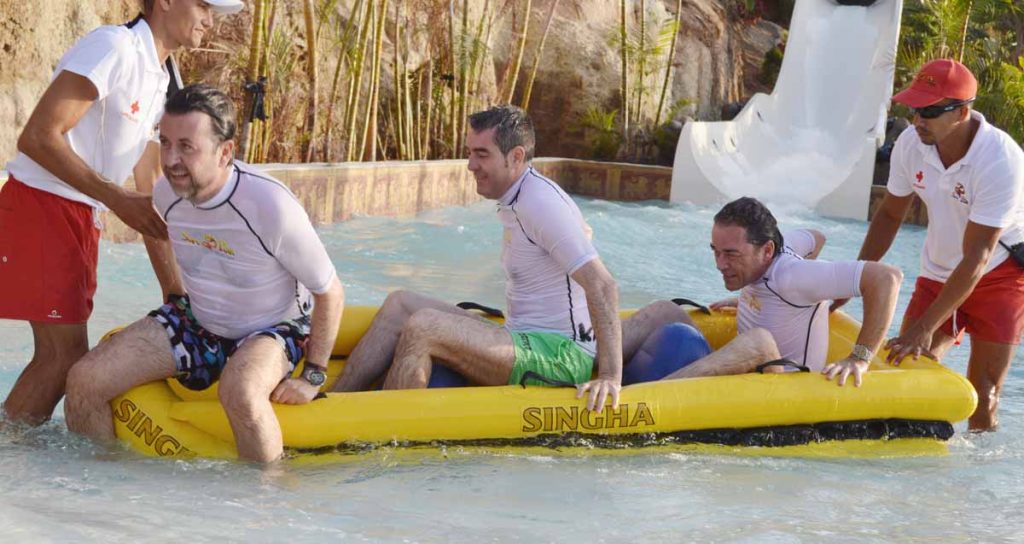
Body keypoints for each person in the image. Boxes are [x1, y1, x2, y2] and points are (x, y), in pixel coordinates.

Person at [64, 84, 344, 463]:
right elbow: (161, 238)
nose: (171, 158)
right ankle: (102, 494)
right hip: (199, 323)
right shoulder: (168, 195)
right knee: (84, 380)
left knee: (241, 391)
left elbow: (329, 291)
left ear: (225, 151)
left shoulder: (269, 205)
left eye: (186, 146)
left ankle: (264, 510)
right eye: (165, 143)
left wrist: (312, 376)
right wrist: (174, 294)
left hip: (274, 327)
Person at [0, 0, 245, 425]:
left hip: (79, 217)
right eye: (204, 4)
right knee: (63, 359)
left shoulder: (164, 78)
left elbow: (149, 192)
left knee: (63, 357)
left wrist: (176, 294)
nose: (211, 18)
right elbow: (38, 137)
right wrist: (114, 198)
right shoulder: (115, 47)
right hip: (44, 205)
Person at [332, 105, 626, 412]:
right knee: (399, 304)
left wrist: (609, 376)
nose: (471, 165)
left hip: (561, 356)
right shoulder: (518, 196)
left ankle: (385, 432)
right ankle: (332, 403)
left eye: (482, 154)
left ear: (516, 156)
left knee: (423, 326)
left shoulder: (541, 203)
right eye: (470, 152)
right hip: (521, 338)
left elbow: (603, 285)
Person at [838, 59, 1024, 430]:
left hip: (1000, 276)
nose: (917, 120)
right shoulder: (911, 144)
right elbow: (890, 216)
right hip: (939, 270)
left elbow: (979, 255)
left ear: (962, 112)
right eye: (913, 109)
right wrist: (852, 279)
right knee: (906, 368)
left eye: (929, 111)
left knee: (984, 394)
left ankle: (972, 481)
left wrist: (925, 326)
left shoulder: (1001, 161)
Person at [628, 197, 902, 387]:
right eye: (716, 251)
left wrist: (860, 357)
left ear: (767, 250)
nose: (720, 264)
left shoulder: (794, 277)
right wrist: (765, 301)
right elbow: (817, 236)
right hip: (746, 375)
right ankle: (591, 362)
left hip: (784, 386)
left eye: (732, 254)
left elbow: (888, 277)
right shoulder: (776, 251)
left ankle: (646, 398)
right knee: (665, 309)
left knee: (760, 340)